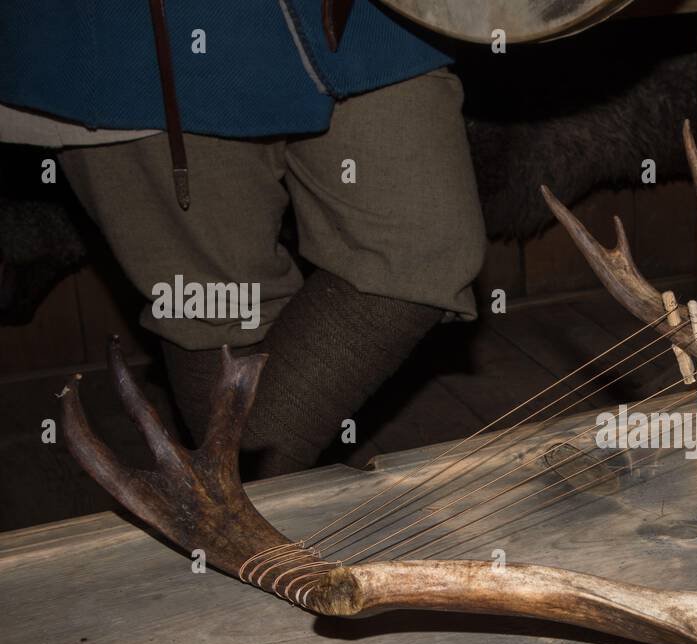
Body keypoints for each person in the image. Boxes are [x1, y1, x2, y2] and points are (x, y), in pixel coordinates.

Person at [0, 0, 486, 476]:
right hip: (144, 36)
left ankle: (234, 500)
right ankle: (250, 522)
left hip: (362, 19)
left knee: (422, 246)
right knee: (217, 306)